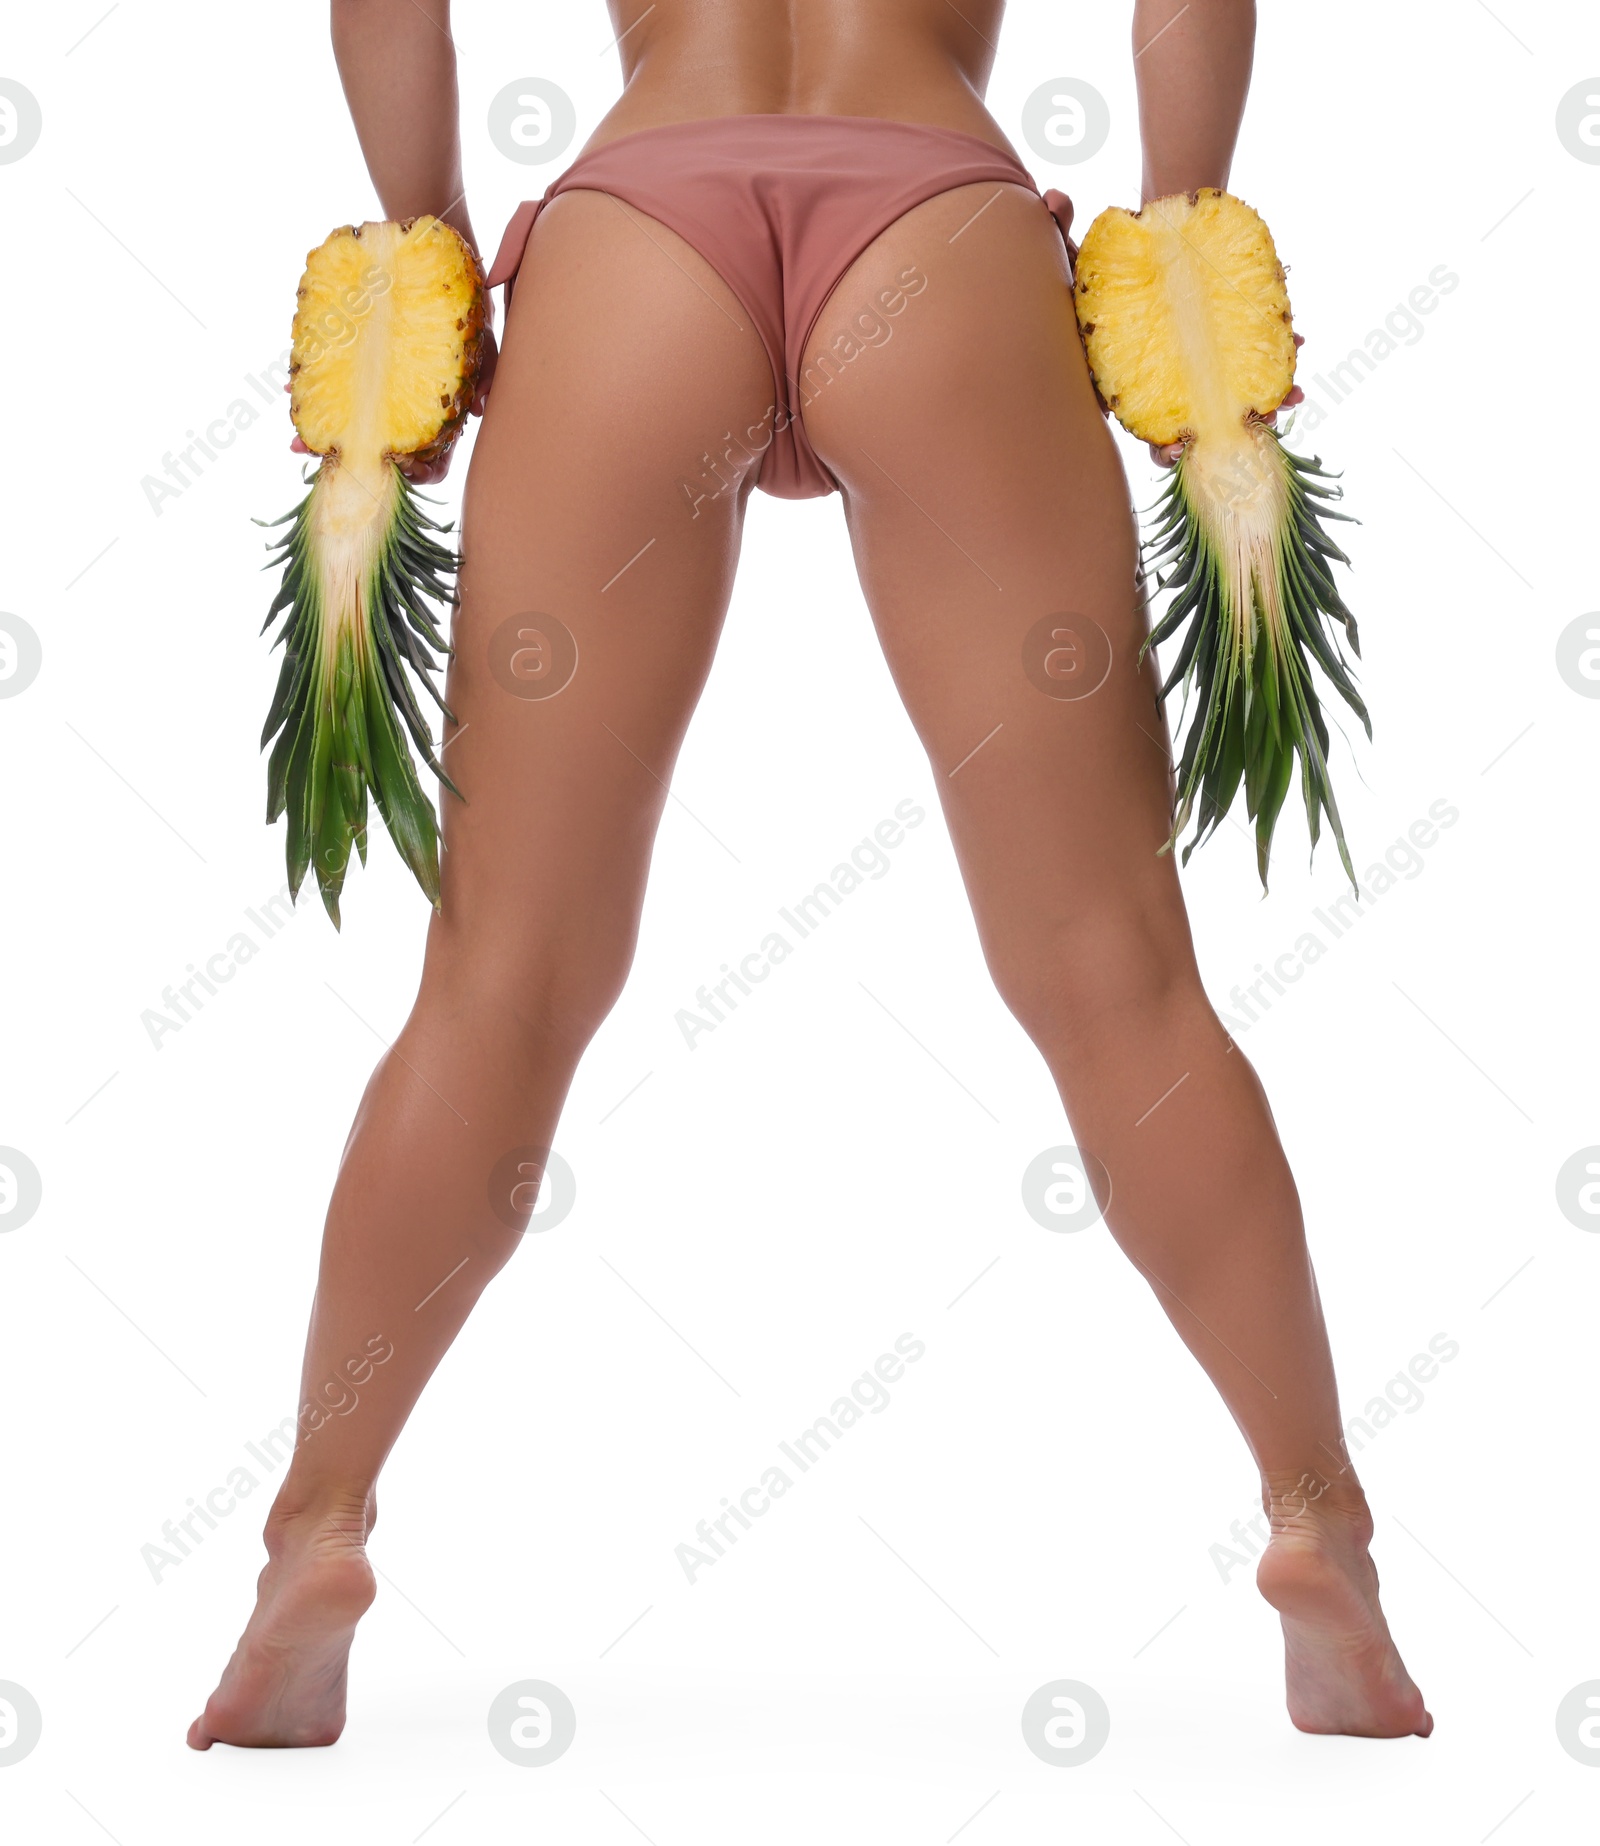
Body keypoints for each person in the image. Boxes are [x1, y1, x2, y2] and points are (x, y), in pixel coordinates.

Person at [190, 0, 1430, 1748]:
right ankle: (1323, 1523)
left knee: (499, 979)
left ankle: (312, 1532)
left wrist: (427, 244)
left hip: (640, 237)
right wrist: (1184, 239)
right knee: (1117, 975)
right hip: (933, 229)